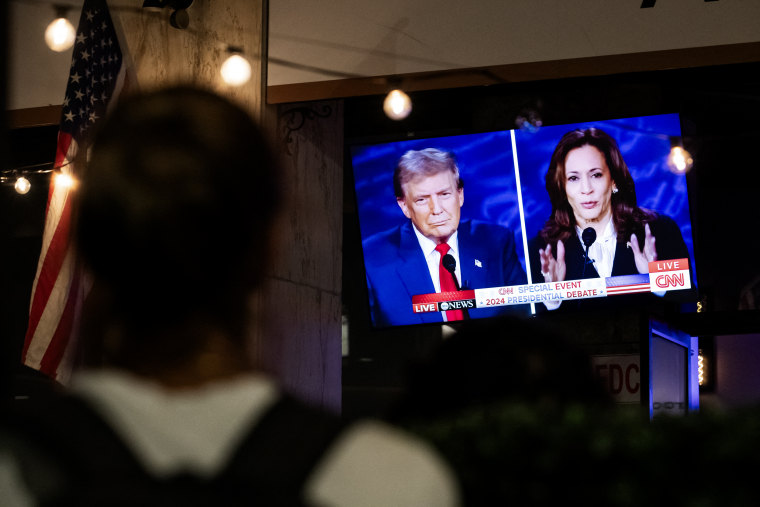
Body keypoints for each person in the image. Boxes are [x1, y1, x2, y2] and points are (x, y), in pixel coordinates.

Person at [0, 87, 459, 506]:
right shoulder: (391, 481)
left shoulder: (14, 475)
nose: (436, 208)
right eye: (423, 199)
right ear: (269, 244)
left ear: (88, 248)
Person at [528, 128, 691, 311]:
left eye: (596, 175)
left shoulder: (659, 230)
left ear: (613, 180)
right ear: (562, 187)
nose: (586, 189)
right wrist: (552, 302)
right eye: (573, 178)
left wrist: (656, 282)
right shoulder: (543, 249)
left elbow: (688, 303)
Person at [363, 148, 528, 327]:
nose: (437, 209)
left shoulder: (496, 241)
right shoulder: (372, 258)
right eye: (422, 200)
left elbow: (523, 315)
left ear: (460, 195)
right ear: (404, 206)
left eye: (444, 194)